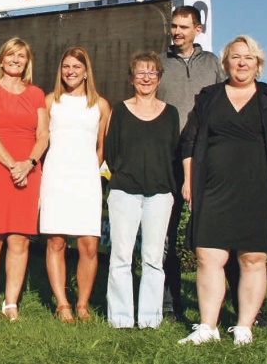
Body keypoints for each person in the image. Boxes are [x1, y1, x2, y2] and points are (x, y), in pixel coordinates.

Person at [177, 36, 267, 346]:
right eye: (235, 57)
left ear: (258, 64)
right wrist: (189, 180)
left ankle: (244, 326)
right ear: (226, 62)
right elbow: (189, 141)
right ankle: (208, 326)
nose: (242, 63)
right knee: (208, 256)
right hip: (214, 188)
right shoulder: (209, 97)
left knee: (253, 258)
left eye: (248, 57)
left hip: (259, 190)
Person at [157, 5, 225, 323]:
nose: (177, 32)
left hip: (208, 159)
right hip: (169, 158)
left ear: (198, 29)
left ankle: (232, 306)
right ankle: (170, 305)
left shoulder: (213, 64)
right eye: (174, 26)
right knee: (166, 235)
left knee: (218, 234)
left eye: (184, 26)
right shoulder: (159, 62)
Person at [105, 51, 179, 329]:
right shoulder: (119, 110)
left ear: (159, 78)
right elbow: (112, 152)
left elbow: (174, 153)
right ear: (131, 78)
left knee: (153, 259)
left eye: (152, 73)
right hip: (124, 191)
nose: (146, 78)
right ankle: (121, 319)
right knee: (121, 257)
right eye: (140, 72)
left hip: (160, 194)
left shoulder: (171, 113)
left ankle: (150, 320)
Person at [0, 37, 49, 321]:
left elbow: (43, 135)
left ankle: (11, 302)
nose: (16, 60)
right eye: (11, 55)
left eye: (21, 56)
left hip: (28, 169)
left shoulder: (37, 94)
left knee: (20, 238)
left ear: (27, 61)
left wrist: (28, 164)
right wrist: (12, 165)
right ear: (2, 59)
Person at [40, 47, 110, 323]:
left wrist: (90, 172)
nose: (70, 72)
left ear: (85, 72)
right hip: (56, 176)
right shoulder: (50, 102)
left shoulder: (100, 105)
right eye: (66, 66)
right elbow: (41, 140)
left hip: (86, 180)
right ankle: (62, 304)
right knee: (56, 241)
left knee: (89, 245)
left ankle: (82, 305)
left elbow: (101, 148)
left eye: (76, 67)